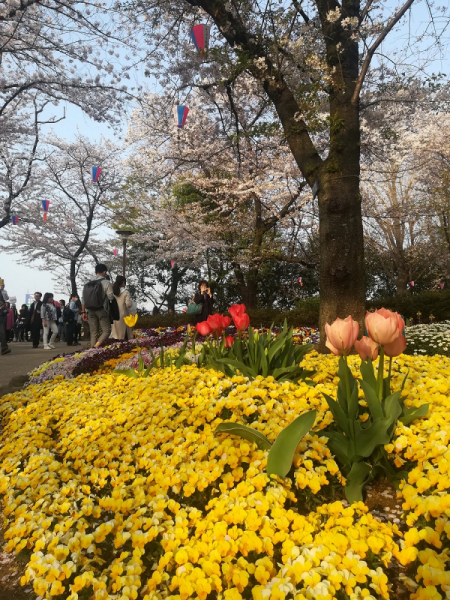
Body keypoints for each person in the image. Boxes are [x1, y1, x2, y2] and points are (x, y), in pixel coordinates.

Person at [82, 263, 114, 348]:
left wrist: (83, 312)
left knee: (93, 332)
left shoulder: (87, 283)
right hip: (102, 309)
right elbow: (111, 297)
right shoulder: (106, 282)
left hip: (90, 310)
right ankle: (96, 346)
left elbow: (83, 298)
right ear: (104, 272)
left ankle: (92, 351)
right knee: (107, 330)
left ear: (95, 272)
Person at [111, 275, 135, 340]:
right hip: (123, 315)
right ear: (123, 282)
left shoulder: (113, 292)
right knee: (123, 335)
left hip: (113, 315)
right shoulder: (126, 292)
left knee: (115, 335)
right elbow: (128, 304)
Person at [0, 283, 10, 355]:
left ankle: (4, 348)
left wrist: (2, 290)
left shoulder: (3, 291)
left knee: (2, 331)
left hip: (2, 314)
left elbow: (6, 298)